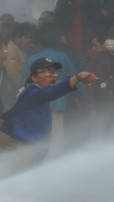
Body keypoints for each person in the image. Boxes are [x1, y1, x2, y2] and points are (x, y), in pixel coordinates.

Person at [0, 58, 99, 165]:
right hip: (8, 146)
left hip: (23, 149)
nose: (53, 75)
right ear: (34, 78)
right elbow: (54, 91)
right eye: (47, 72)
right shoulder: (32, 93)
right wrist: (77, 77)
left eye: (54, 72)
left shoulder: (39, 95)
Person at [20, 25, 78, 159]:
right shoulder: (63, 57)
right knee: (57, 141)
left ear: (38, 42)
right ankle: (52, 171)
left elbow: (23, 85)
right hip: (57, 107)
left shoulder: (31, 59)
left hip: (35, 107)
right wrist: (82, 98)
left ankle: (36, 167)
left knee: (36, 140)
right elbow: (75, 79)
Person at [5, 22, 34, 99]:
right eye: (26, 38)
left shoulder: (21, 50)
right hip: (12, 93)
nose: (28, 40)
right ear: (17, 38)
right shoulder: (11, 50)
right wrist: (27, 89)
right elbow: (13, 75)